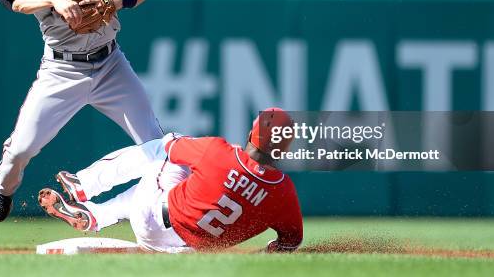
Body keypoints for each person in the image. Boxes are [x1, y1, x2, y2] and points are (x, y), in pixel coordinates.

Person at [0, 0, 163, 222]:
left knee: (157, 147)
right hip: (62, 69)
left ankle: (155, 215)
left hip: (111, 65)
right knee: (21, 151)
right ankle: (3, 186)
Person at [38, 108, 303, 253]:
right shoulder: (284, 193)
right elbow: (291, 241)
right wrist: (267, 252)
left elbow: (172, 147)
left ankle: (83, 185)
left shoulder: (219, 152)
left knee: (163, 150)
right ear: (285, 149)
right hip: (186, 250)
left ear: (251, 132)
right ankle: (97, 214)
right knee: (162, 185)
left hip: (154, 220)